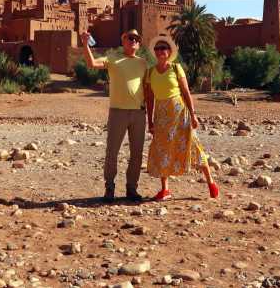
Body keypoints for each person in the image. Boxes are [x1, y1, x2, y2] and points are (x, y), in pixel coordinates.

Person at [145, 35, 219, 201]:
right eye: (157, 48)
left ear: (169, 52)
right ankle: (165, 189)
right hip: (162, 115)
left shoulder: (176, 68)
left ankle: (211, 182)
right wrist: (150, 121)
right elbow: (150, 99)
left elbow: (186, 92)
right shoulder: (150, 72)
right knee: (161, 148)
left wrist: (193, 114)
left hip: (179, 112)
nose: (160, 51)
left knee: (193, 145)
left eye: (163, 48)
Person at [81, 29, 147, 203]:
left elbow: (151, 86)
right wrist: (85, 44)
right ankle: (109, 188)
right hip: (118, 112)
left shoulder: (143, 63)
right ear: (123, 40)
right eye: (129, 38)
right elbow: (92, 64)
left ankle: (132, 189)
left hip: (139, 113)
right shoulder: (112, 59)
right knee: (112, 152)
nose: (133, 40)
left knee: (137, 154)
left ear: (139, 44)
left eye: (136, 39)